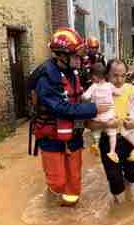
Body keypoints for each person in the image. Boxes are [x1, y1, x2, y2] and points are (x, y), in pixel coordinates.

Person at [27, 28, 110, 206]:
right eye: (76, 55)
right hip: (51, 137)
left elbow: (79, 98)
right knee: (57, 182)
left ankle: (69, 210)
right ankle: (52, 199)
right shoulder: (45, 78)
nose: (80, 59)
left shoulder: (73, 73)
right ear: (61, 55)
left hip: (73, 135)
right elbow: (60, 107)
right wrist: (93, 109)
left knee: (74, 178)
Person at [90, 59, 134, 203]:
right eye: (115, 75)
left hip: (130, 139)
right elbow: (88, 124)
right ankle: (120, 209)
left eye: (123, 76)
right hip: (108, 141)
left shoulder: (133, 90)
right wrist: (105, 124)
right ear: (106, 75)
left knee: (133, 176)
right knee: (115, 180)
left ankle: (127, 191)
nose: (119, 80)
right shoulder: (96, 92)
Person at [82, 62, 120, 162]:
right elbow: (118, 92)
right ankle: (112, 151)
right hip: (109, 116)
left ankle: (96, 144)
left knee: (96, 132)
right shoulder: (109, 85)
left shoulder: (93, 86)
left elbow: (85, 96)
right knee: (112, 133)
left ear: (94, 76)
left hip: (97, 116)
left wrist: (82, 94)